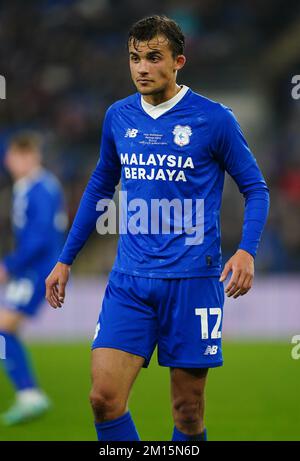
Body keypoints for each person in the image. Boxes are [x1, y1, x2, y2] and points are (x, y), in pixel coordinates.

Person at [46, 15, 270, 441]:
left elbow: (255, 188)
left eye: (153, 57)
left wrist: (247, 250)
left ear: (178, 61)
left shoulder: (214, 119)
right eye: (134, 58)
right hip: (130, 280)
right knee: (103, 398)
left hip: (192, 280)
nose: (141, 68)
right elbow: (100, 184)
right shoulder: (118, 117)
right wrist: (65, 258)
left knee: (187, 412)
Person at [0, 132, 66, 425]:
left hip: (37, 270)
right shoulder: (34, 186)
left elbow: (39, 238)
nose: (9, 163)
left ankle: (29, 394)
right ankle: (28, 394)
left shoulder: (39, 189)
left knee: (3, 329)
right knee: (4, 330)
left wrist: (9, 266)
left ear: (30, 157)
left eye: (14, 157)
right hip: (35, 268)